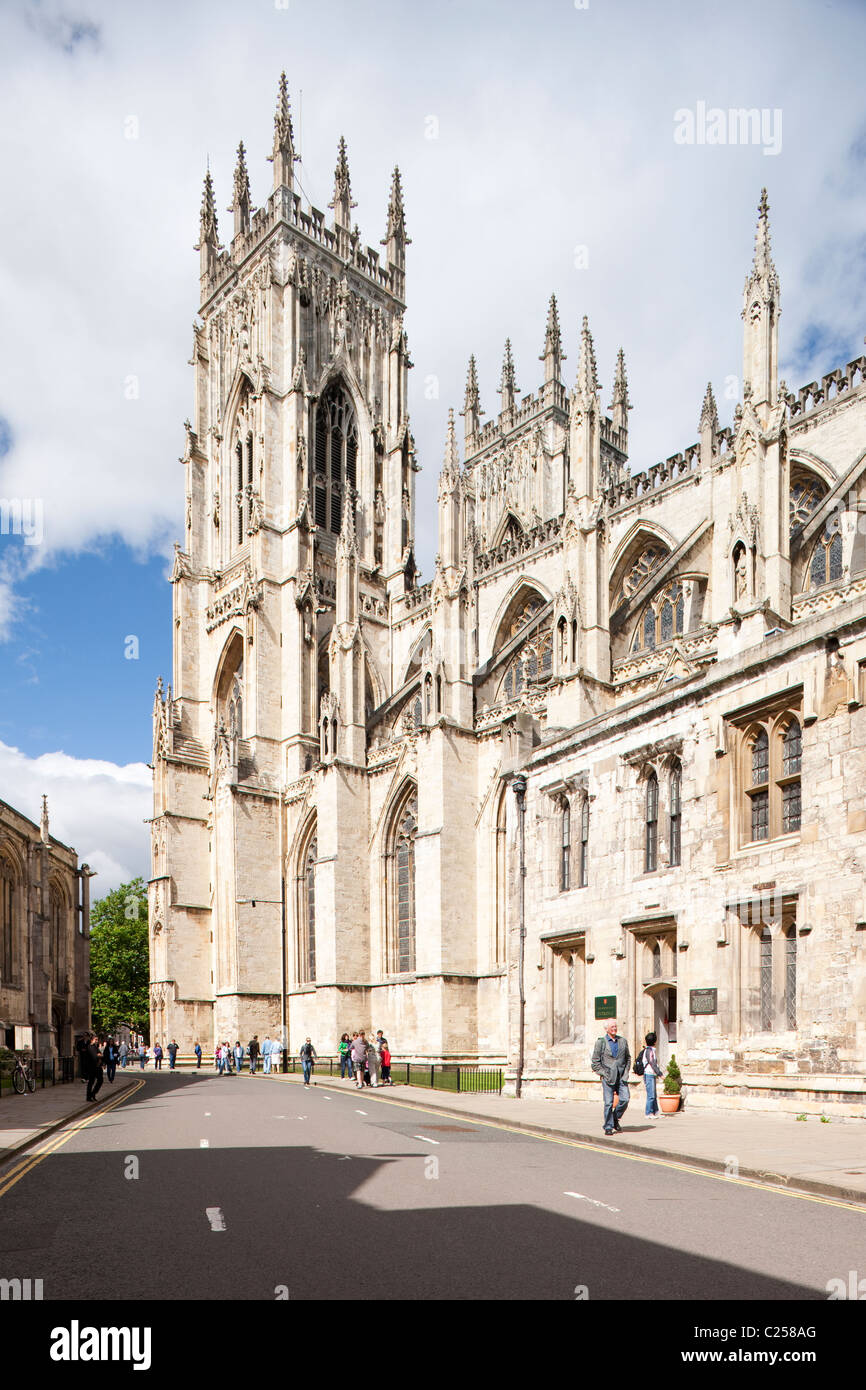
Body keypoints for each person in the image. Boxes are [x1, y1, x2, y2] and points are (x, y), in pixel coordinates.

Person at [590, 1019, 631, 1135]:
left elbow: (628, 1058)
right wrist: (603, 1073)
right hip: (608, 1078)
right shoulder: (601, 1042)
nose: (614, 1028)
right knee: (608, 1103)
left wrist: (626, 1072)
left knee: (625, 1099)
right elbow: (595, 1062)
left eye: (615, 1026)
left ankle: (614, 1118)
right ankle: (608, 1126)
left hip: (621, 1077)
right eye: (612, 1026)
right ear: (606, 1029)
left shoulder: (623, 1041)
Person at [638, 1030, 663, 1118]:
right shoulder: (649, 1051)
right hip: (648, 1074)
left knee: (654, 1094)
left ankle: (655, 1111)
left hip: (651, 1074)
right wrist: (660, 1074)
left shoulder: (651, 1050)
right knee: (651, 1095)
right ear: (655, 1041)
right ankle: (648, 1113)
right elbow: (652, 1063)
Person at [85, 1034, 104, 1103]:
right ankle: (89, 1096)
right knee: (91, 1082)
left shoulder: (95, 1047)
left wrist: (99, 1055)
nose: (97, 1041)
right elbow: (95, 1056)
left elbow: (101, 1055)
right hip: (92, 1067)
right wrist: (99, 1055)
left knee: (100, 1081)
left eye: (97, 1039)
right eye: (95, 1039)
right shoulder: (90, 1047)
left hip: (98, 1067)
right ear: (91, 1040)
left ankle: (92, 1094)